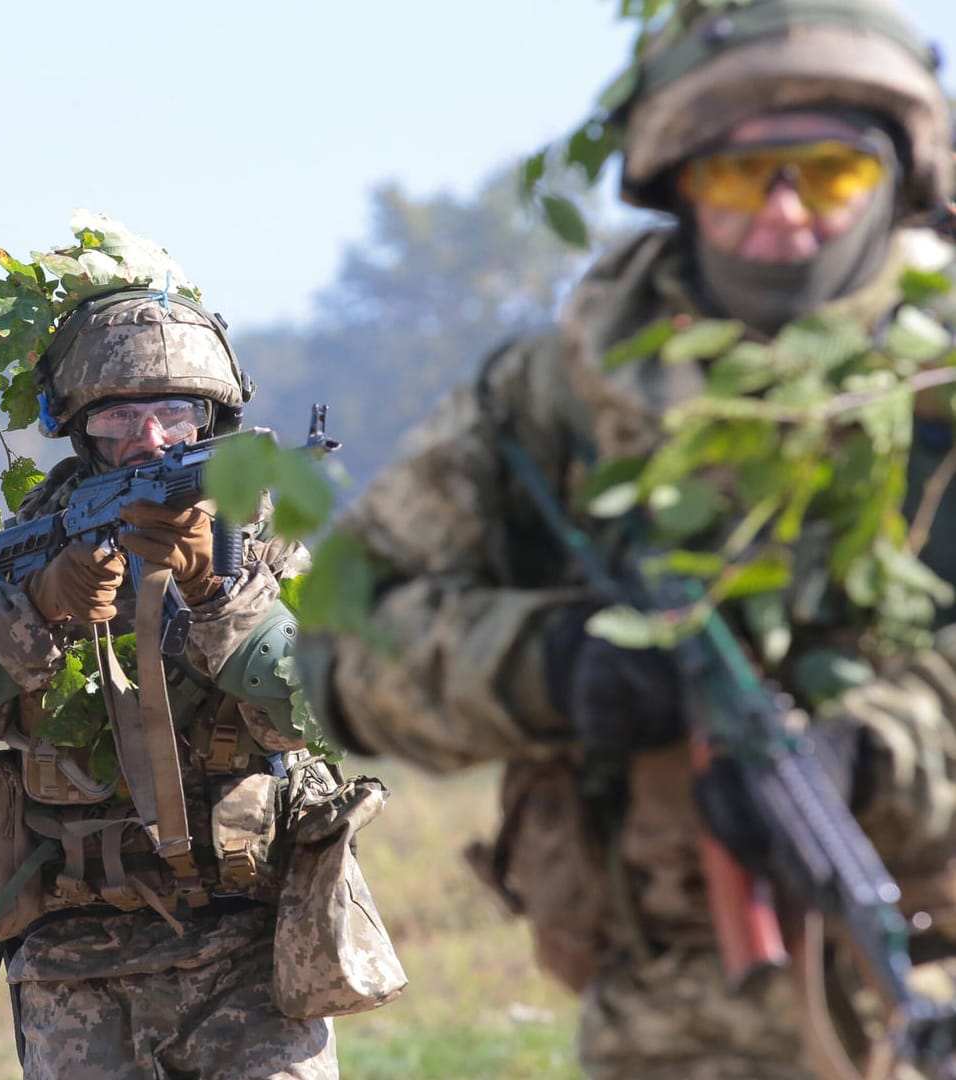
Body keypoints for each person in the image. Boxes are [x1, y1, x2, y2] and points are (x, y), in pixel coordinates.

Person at [299, 1, 956, 1077]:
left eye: (831, 175)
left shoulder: (938, 383)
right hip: (672, 1019)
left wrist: (885, 745)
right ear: (680, 185)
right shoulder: (554, 398)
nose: (786, 218)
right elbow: (339, 641)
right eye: (744, 178)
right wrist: (552, 665)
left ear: (897, 178)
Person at [0, 288, 387, 1080]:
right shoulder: (28, 554)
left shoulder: (263, 551)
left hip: (249, 954)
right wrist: (36, 611)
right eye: (119, 417)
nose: (150, 441)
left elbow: (334, 714)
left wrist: (220, 595)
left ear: (211, 421)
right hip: (73, 970)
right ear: (78, 428)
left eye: (176, 412)